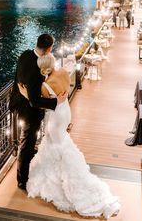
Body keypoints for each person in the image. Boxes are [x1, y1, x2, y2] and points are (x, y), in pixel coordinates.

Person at [26, 53, 120, 219]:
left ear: (42, 68)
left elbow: (39, 104)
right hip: (65, 112)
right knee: (62, 143)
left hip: (55, 118)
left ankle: (62, 181)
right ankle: (65, 173)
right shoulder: (62, 72)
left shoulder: (45, 85)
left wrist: (25, 92)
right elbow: (65, 91)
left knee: (55, 146)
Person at [9, 34, 67, 191]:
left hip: (18, 102)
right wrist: (56, 101)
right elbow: (34, 101)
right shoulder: (36, 70)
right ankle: (22, 180)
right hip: (29, 111)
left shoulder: (25, 54)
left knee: (29, 141)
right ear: (49, 49)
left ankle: (30, 156)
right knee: (26, 143)